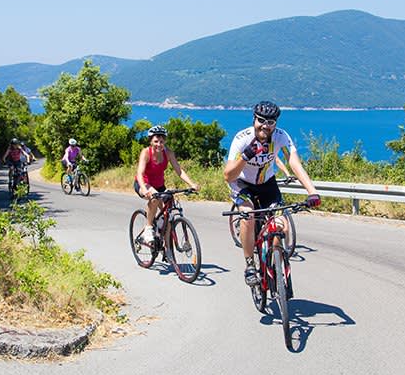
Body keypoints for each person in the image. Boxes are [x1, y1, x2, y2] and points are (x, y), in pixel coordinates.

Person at [223, 101, 321, 286]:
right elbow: (228, 176)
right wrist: (245, 156)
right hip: (242, 184)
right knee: (248, 216)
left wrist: (312, 192)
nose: (265, 126)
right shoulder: (242, 139)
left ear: (275, 124)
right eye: (261, 120)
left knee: (281, 226)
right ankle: (250, 264)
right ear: (254, 119)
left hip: (267, 184)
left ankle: (275, 260)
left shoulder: (281, 137)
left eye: (270, 122)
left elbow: (294, 163)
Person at [134, 125, 199, 245]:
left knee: (169, 214)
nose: (159, 144)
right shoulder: (146, 153)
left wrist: (192, 184)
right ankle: (148, 228)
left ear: (165, 141)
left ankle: (167, 249)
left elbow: (179, 170)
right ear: (151, 141)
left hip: (159, 186)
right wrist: (144, 188)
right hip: (143, 183)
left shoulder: (168, 153)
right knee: (154, 198)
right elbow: (139, 173)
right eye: (156, 141)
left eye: (161, 141)